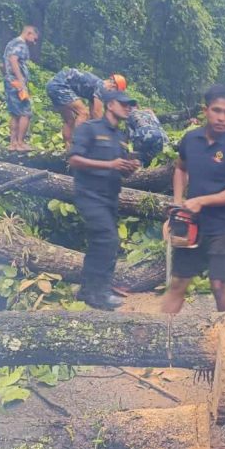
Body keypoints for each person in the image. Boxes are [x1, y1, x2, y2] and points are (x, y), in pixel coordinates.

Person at [160, 84, 225, 313]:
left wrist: (201, 201)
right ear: (205, 110)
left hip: (222, 228)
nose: (222, 117)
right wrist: (179, 202)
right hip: (190, 225)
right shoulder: (190, 140)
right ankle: (161, 340)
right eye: (216, 110)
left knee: (219, 286)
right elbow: (180, 169)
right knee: (178, 283)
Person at [68, 90, 140, 310]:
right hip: (89, 195)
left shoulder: (121, 137)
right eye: (124, 104)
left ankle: (87, 290)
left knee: (99, 243)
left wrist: (128, 168)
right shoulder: (89, 129)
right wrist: (110, 165)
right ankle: (99, 294)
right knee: (107, 240)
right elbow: (74, 159)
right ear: (110, 105)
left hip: (110, 196)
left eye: (130, 105)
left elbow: (119, 168)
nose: (128, 108)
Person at [46, 68, 127, 149]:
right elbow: (97, 113)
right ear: (114, 85)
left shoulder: (95, 88)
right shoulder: (102, 86)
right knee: (83, 113)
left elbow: (94, 116)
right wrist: (104, 133)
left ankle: (68, 148)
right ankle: (76, 145)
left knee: (69, 121)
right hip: (60, 85)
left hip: (52, 86)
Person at [2, 25, 39, 151]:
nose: (34, 42)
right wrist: (21, 81)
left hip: (9, 81)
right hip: (17, 83)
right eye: (34, 39)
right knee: (26, 112)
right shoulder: (20, 44)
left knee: (15, 113)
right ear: (29, 33)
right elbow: (13, 60)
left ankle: (12, 143)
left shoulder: (11, 43)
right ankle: (20, 143)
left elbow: (5, 63)